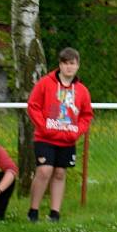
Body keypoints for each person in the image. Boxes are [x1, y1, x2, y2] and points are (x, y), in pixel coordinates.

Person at [27, 47, 94, 223]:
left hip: (67, 139)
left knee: (59, 173)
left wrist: (76, 132)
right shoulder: (45, 83)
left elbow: (87, 115)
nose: (69, 67)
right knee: (44, 170)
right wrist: (44, 127)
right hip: (45, 137)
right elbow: (33, 106)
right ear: (60, 65)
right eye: (65, 64)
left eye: (72, 64)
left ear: (77, 65)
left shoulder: (82, 90)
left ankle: (54, 213)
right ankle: (33, 211)